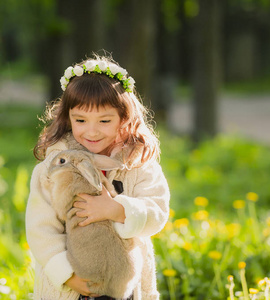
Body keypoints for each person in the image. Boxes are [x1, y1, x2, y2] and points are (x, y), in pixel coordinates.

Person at [26, 54, 170, 300]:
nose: (91, 131)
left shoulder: (139, 166)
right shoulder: (53, 169)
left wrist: (117, 209)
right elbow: (40, 229)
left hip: (124, 284)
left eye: (104, 120)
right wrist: (68, 276)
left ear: (124, 118)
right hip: (72, 285)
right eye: (80, 120)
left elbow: (157, 211)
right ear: (67, 117)